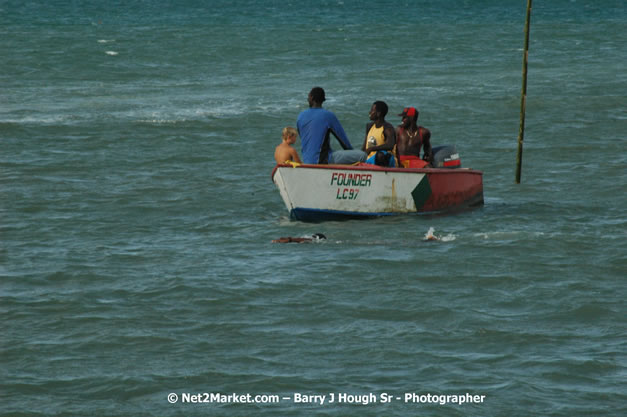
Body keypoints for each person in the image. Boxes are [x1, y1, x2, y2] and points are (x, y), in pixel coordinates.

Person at [297, 87, 367, 164]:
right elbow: (343, 141)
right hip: (323, 160)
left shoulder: (301, 116)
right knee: (362, 155)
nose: (307, 99)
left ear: (312, 98)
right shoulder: (328, 115)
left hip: (306, 160)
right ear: (323, 100)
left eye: (308, 97)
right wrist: (352, 154)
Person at [361, 101, 398, 167]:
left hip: (384, 160)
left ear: (378, 113)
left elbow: (390, 145)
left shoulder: (388, 128)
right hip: (369, 160)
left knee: (380, 155)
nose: (370, 112)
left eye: (372, 110)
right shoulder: (369, 126)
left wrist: (372, 149)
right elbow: (364, 147)